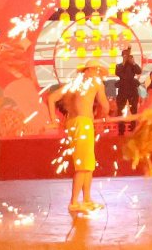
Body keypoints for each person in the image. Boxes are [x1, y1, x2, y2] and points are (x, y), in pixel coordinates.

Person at [44, 66, 109, 217]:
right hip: (83, 123)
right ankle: (74, 202)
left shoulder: (73, 83)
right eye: (97, 71)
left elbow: (52, 98)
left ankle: (86, 199)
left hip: (72, 123)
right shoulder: (96, 82)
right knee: (84, 164)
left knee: (87, 163)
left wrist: (54, 119)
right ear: (89, 70)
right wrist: (101, 116)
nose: (98, 74)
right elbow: (105, 105)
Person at [113, 48, 144, 130]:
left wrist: (133, 62)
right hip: (122, 89)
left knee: (134, 109)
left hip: (132, 88)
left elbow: (139, 71)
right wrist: (124, 62)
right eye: (124, 55)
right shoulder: (119, 65)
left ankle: (133, 127)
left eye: (127, 55)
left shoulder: (133, 65)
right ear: (122, 56)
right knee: (120, 109)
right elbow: (117, 72)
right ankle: (121, 129)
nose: (126, 57)